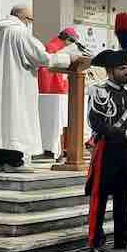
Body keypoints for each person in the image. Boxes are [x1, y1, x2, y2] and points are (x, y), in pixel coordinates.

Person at [0, 5, 82, 173]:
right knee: (15, 121)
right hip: (17, 85)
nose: (29, 23)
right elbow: (40, 57)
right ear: (22, 17)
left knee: (2, 122)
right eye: (30, 19)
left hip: (3, 85)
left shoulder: (0, 31)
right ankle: (13, 162)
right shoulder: (19, 32)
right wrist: (67, 58)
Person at [85, 50, 127, 252]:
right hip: (107, 149)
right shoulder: (98, 92)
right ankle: (95, 240)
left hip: (126, 149)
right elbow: (98, 124)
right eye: (122, 69)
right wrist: (124, 132)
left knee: (123, 194)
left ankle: (122, 238)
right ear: (110, 71)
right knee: (100, 196)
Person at [38, 27, 78, 159]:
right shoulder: (52, 47)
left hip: (59, 90)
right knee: (56, 121)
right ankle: (55, 150)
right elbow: (47, 71)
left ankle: (65, 149)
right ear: (68, 39)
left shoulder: (58, 46)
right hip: (53, 92)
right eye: (73, 41)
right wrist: (57, 88)